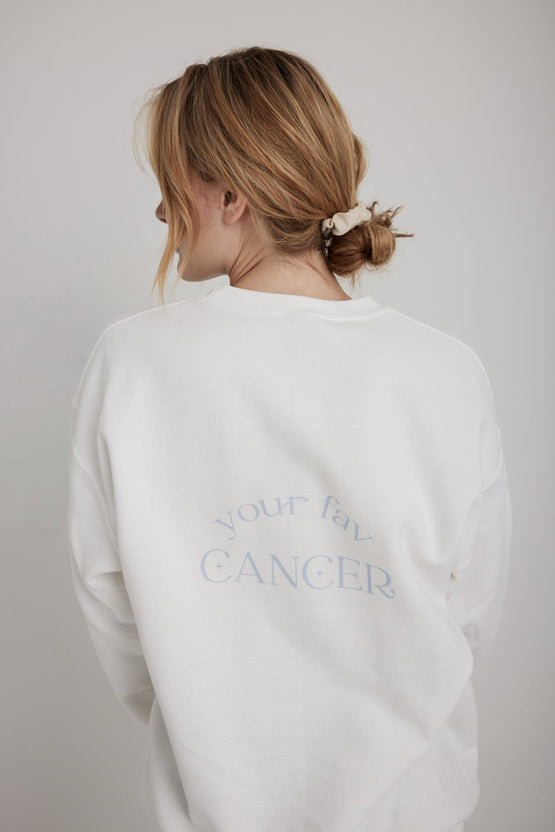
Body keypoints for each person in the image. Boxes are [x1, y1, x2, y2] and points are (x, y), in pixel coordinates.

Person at [66, 46, 512, 832]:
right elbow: (467, 614)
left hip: (210, 810)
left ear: (231, 195)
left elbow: (111, 601)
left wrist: (206, 720)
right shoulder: (444, 369)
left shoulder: (134, 361)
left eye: (170, 183)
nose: (162, 213)